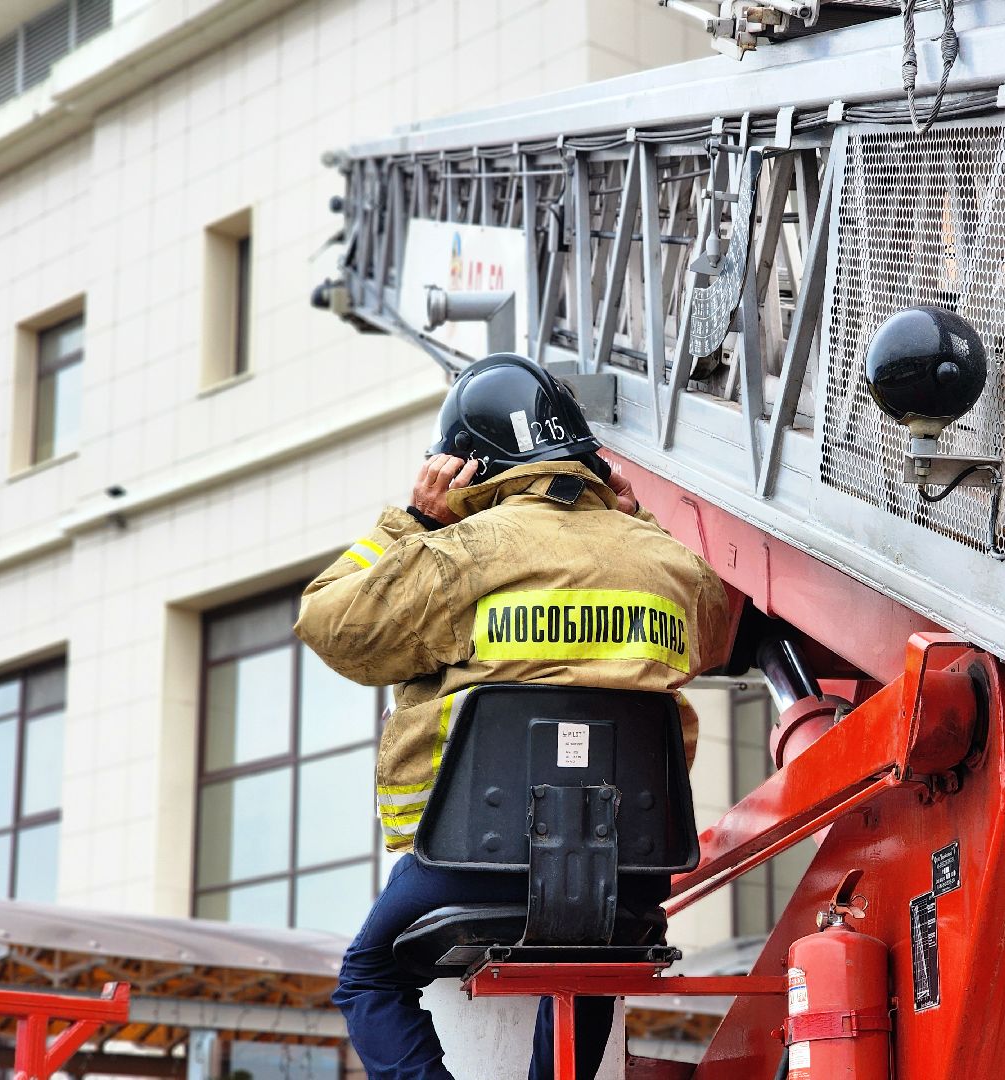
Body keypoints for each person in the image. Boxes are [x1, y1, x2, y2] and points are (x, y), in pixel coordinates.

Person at [294, 353, 730, 1080]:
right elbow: (714, 633)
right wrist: (636, 518)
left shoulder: (459, 554)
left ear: (466, 466)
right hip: (628, 869)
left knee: (369, 976)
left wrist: (412, 521)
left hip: (471, 863)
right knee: (590, 964)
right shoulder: (672, 565)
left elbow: (329, 622)